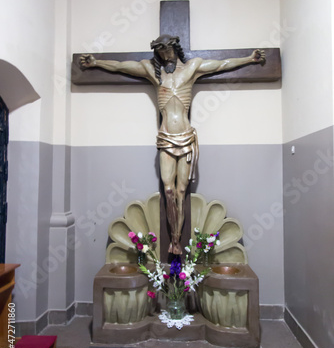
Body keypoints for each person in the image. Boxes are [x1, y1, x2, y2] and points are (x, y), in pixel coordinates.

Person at [80, 35, 265, 255]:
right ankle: (174, 239)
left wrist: (249, 59)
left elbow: (222, 64)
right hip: (165, 138)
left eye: (167, 50)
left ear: (175, 48)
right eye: (160, 52)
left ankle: (176, 240)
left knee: (181, 190)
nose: (165, 55)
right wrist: (96, 63)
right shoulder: (152, 72)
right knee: (168, 190)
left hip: (186, 137)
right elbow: (122, 67)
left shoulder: (192, 68)